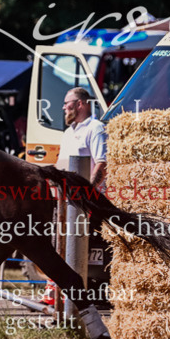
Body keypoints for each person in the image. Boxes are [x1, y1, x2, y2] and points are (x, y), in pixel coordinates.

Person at [42, 87, 108, 305]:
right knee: (55, 245)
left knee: (76, 250)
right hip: (65, 200)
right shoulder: (69, 132)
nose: (63, 107)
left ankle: (68, 297)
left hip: (86, 202)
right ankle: (54, 293)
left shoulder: (96, 128)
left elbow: (102, 164)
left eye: (67, 103)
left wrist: (87, 194)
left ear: (81, 104)